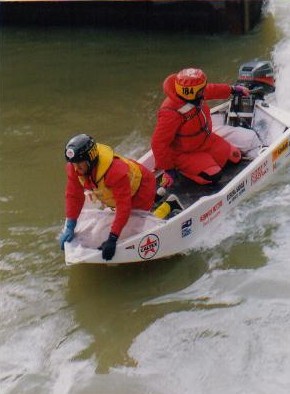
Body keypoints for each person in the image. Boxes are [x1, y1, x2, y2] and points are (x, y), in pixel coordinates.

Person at [60, 134, 156, 261]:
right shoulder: (75, 168)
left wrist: (113, 238)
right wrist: (71, 225)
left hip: (142, 191)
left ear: (90, 160)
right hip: (119, 195)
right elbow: (73, 195)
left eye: (79, 164)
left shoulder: (114, 171)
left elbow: (123, 206)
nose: (76, 168)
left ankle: (166, 206)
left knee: (137, 223)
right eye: (73, 164)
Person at [151, 67, 251, 187]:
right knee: (213, 176)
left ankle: (206, 163)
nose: (204, 92)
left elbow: (212, 89)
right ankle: (182, 170)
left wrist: (232, 90)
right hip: (185, 153)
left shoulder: (196, 94)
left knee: (235, 157)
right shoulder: (170, 112)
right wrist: (168, 169)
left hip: (206, 142)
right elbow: (158, 143)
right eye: (201, 90)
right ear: (190, 92)